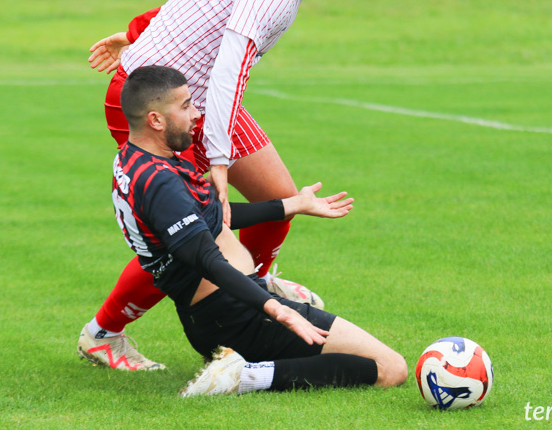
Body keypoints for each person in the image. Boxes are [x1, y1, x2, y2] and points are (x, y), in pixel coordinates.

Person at [80, 0, 371, 370]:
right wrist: (217, 159)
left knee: (279, 201)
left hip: (200, 104)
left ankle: (251, 282)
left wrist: (139, 29)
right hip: (163, 108)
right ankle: (104, 332)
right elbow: (228, 68)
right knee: (187, 230)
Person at [84, 66, 408, 396]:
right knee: (390, 369)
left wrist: (293, 204)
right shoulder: (161, 182)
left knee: (360, 358)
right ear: (155, 119)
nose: (197, 114)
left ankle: (239, 367)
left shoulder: (136, 160)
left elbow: (214, 217)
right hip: (237, 315)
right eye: (185, 106)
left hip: (220, 315)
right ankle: (241, 376)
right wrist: (275, 308)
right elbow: (208, 260)